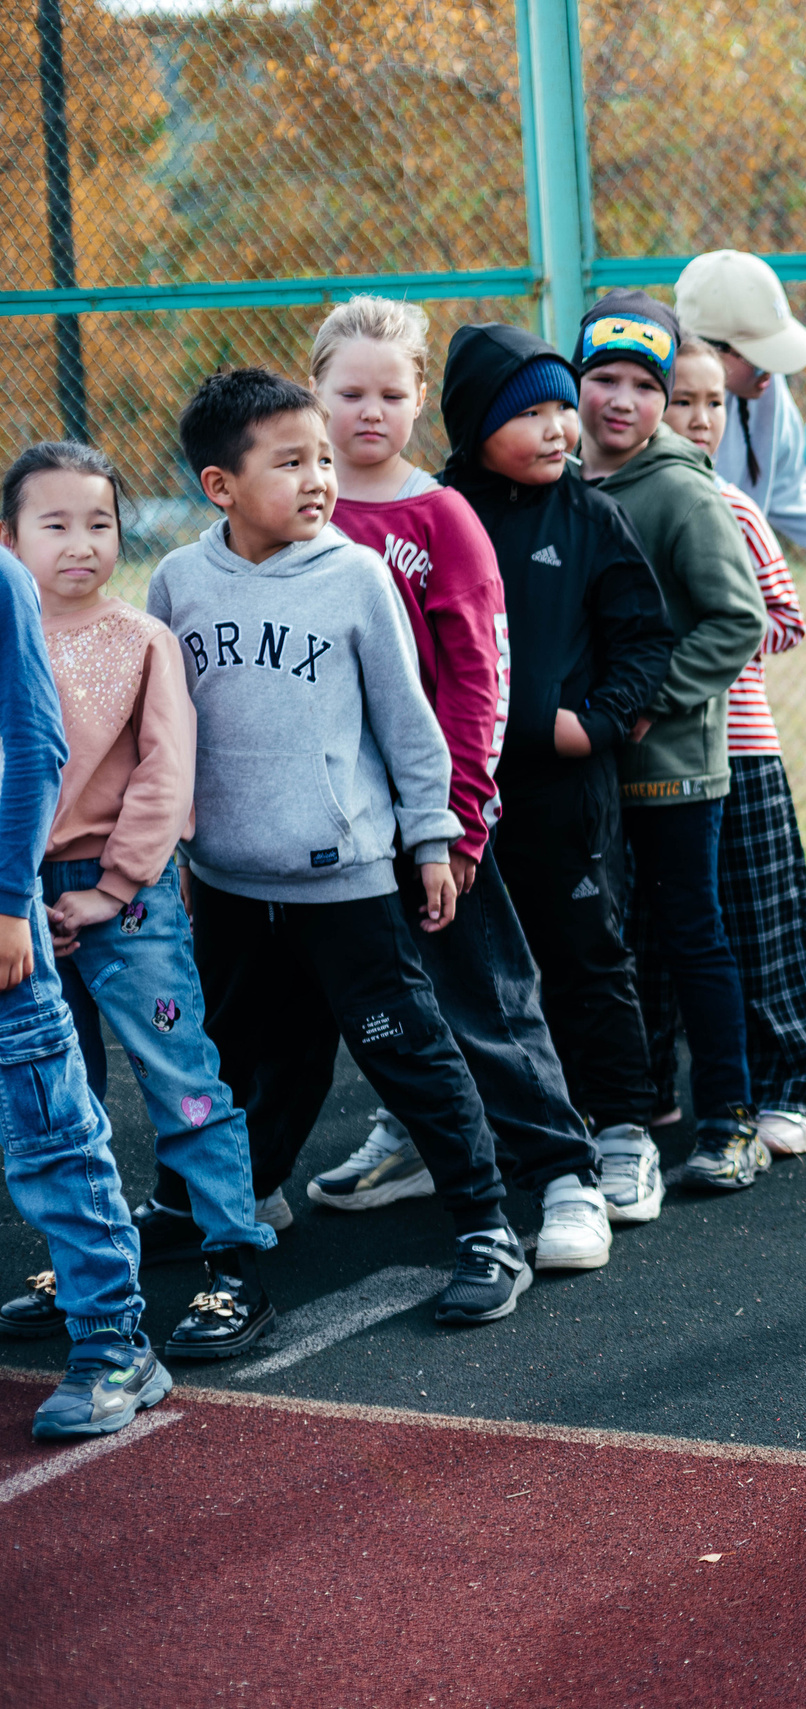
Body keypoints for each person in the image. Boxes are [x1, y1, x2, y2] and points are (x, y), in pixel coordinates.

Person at [148, 367, 531, 1326]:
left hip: (347, 879)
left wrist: (433, 840)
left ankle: (486, 1226)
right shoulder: (178, 581)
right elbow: (159, 730)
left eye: (323, 457)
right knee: (237, 1054)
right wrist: (170, 854)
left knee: (407, 1052)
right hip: (229, 880)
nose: (320, 477)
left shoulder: (356, 575)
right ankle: (224, 1197)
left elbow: (409, 725)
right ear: (220, 486)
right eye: (291, 462)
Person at [307, 297, 616, 1270]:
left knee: (487, 999)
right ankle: (254, 1180)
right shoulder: (288, 515)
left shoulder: (443, 517)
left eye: (391, 392)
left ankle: (570, 1175)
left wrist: (458, 821)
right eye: (348, 391)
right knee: (327, 1008)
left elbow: (482, 682)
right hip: (317, 829)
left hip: (429, 820)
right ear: (312, 394)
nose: (369, 410)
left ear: (419, 402)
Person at [5, 442, 273, 1365]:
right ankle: (85, 1261)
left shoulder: (140, 640)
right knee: (57, 1088)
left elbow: (167, 772)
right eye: (55, 524)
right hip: (24, 902)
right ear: (9, 539)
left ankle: (234, 1259)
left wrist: (113, 885)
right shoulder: (8, 639)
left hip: (126, 898)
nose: (81, 543)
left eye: (99, 523)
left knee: (177, 1070)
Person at [443, 322, 677, 1227]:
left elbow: (644, 639)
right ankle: (460, 1134)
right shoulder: (437, 510)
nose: (558, 427)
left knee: (586, 958)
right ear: (473, 426)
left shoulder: (588, 514)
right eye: (529, 412)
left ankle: (622, 1131)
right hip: (454, 797)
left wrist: (595, 725)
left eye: (559, 407)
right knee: (461, 973)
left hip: (562, 800)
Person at [573, 291, 770, 1192]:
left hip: (675, 769)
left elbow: (740, 617)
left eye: (643, 384)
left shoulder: (683, 488)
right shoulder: (564, 477)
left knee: (694, 939)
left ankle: (729, 1119)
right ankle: (623, 1111)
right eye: (601, 378)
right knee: (602, 943)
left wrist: (653, 696)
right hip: (587, 766)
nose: (621, 400)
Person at [0, 526, 169, 1438]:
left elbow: (33, 745)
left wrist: (4, 905)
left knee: (49, 1130)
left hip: (3, 918)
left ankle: (114, 1342)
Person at [655, 338, 806, 1159]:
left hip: (743, 753)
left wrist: (708, 648)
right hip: (652, 764)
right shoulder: (609, 500)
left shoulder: (733, 507)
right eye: (682, 400)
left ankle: (789, 1087)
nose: (699, 419)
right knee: (661, 934)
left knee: (763, 925)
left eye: (714, 403)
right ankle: (652, 1089)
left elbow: (784, 620)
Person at [675, 248, 806, 583]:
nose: (769, 370)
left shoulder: (764, 388)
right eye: (756, 355)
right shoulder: (654, 402)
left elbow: (787, 493)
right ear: (706, 346)